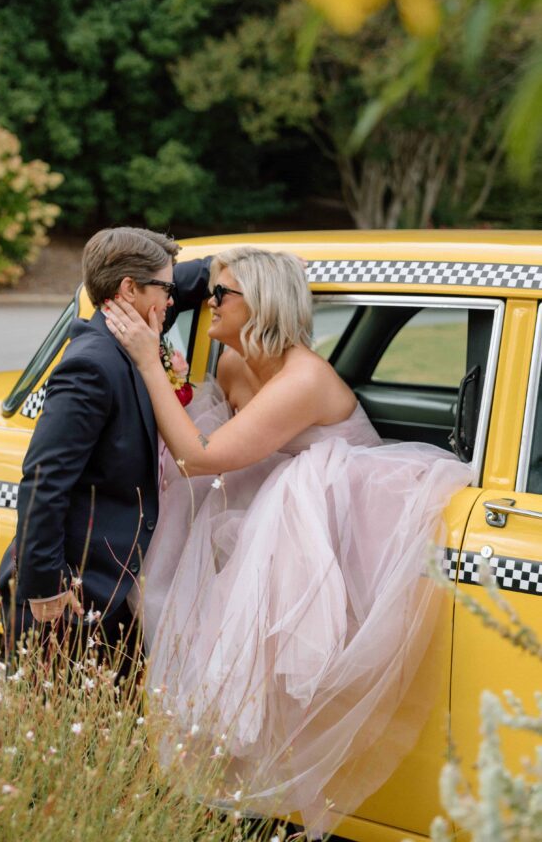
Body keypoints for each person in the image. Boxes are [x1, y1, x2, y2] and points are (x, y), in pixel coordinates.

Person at [103, 246, 473, 838]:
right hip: (264, 502)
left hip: (337, 525)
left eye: (221, 295)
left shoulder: (305, 378)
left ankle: (276, 792)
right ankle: (230, 782)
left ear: (261, 304)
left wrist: (150, 363)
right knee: (176, 597)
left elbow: (200, 457)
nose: (209, 302)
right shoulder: (231, 360)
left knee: (277, 652)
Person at [0, 226, 210, 664]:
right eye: (165, 290)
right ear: (128, 289)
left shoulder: (128, 334)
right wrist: (46, 586)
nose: (172, 302)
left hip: (111, 591)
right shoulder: (91, 364)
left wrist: (230, 268)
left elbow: (169, 288)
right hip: (69, 599)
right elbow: (43, 480)